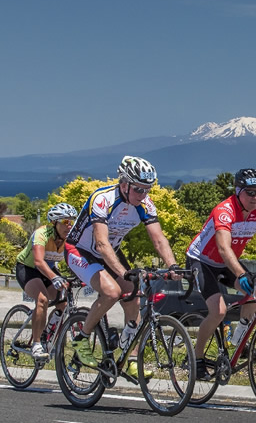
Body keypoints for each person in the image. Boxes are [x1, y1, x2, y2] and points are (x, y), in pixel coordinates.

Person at [64, 156, 177, 377]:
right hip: (81, 250)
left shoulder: (144, 204)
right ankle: (82, 338)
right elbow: (101, 243)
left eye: (147, 189)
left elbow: (158, 239)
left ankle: (130, 356)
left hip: (110, 252)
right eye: (138, 189)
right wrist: (123, 272)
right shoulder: (102, 199)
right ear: (124, 184)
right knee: (112, 291)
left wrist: (173, 265)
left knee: (134, 295)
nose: (143, 195)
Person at [185, 168, 256, 380]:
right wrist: (241, 274)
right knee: (219, 311)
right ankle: (195, 359)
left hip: (226, 262)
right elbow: (224, 248)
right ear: (237, 191)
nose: (255, 197)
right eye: (250, 192)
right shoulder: (225, 210)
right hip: (201, 261)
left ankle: (238, 341)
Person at [14, 202, 77, 361]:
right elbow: (38, 262)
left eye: (72, 221)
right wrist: (54, 277)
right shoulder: (41, 234)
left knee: (62, 302)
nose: (69, 226)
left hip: (48, 269)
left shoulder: (70, 239)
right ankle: (36, 344)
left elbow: (78, 260)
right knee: (42, 299)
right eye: (65, 222)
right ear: (54, 223)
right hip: (28, 268)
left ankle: (47, 334)